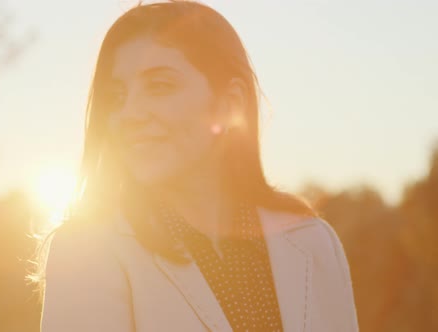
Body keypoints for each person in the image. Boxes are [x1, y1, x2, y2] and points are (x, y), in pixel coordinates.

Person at [37, 1, 358, 331]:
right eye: (116, 96)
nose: (129, 113)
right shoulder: (86, 252)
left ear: (229, 104)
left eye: (159, 86)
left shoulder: (313, 240)